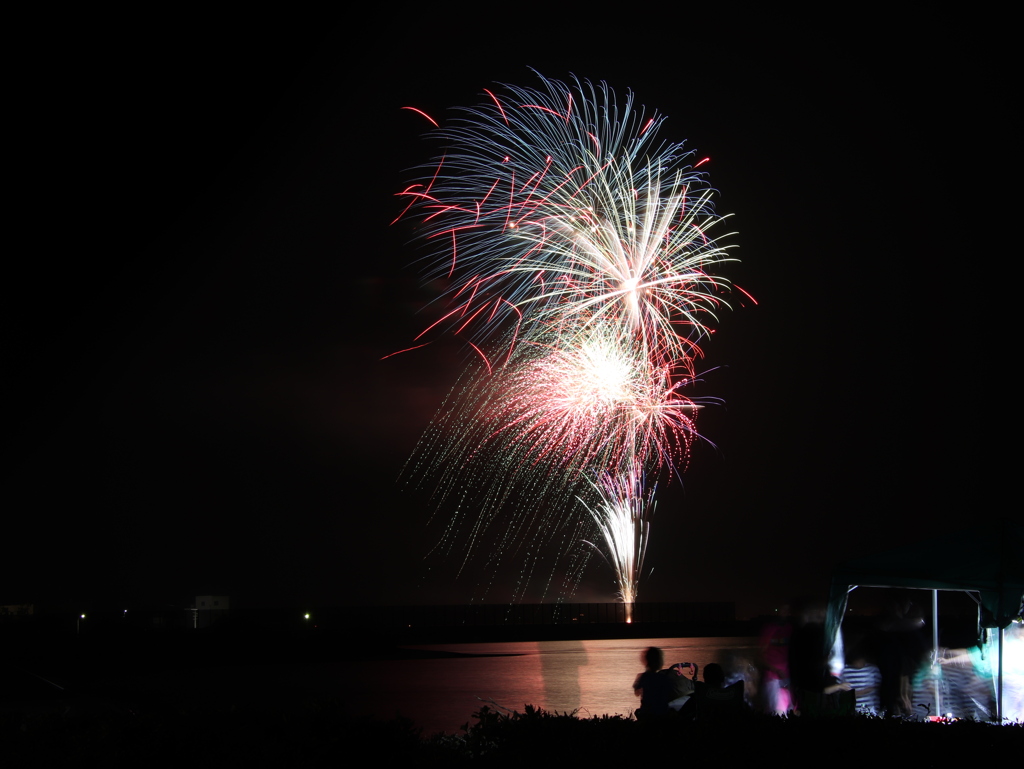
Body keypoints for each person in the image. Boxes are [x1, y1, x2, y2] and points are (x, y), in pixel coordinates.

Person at [632, 647, 674, 721]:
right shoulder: (663, 677)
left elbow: (637, 693)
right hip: (661, 713)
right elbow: (670, 693)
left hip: (647, 712)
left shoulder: (643, 677)